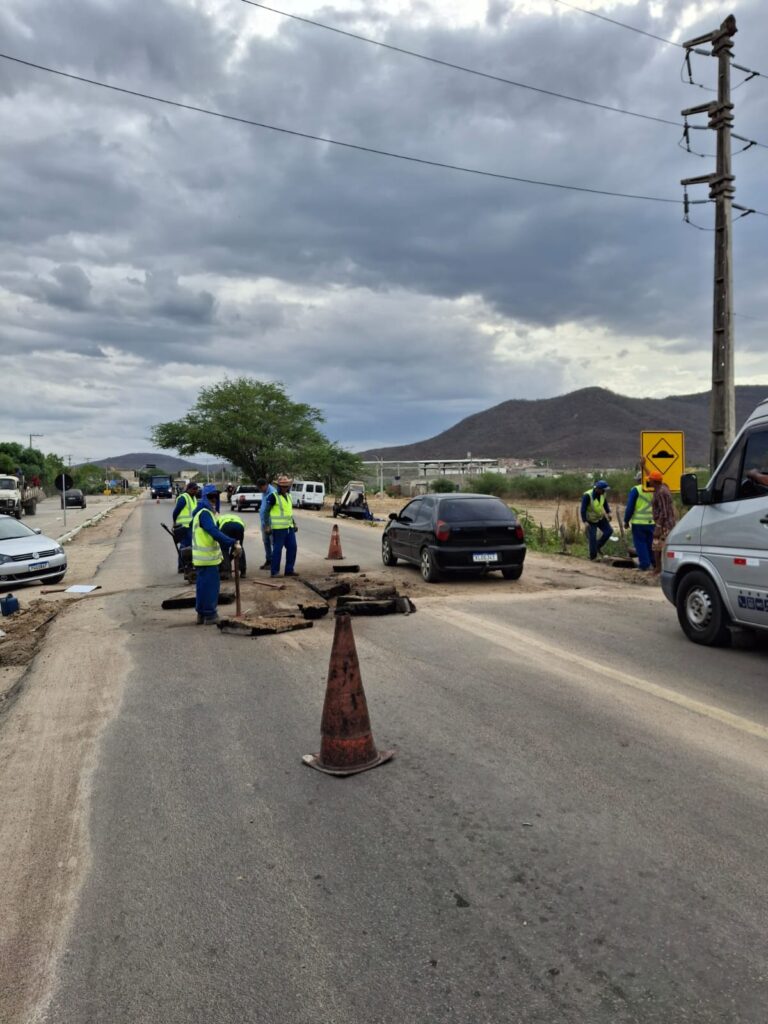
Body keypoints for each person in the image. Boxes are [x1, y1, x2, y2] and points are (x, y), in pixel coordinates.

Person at [191, 484, 237, 624]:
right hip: (207, 559)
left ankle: (201, 614)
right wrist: (232, 542)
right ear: (205, 497)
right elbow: (214, 532)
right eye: (211, 496)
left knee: (202, 587)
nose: (214, 499)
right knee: (210, 587)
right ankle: (210, 615)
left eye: (215, 496)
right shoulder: (204, 513)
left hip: (203, 559)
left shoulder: (203, 512)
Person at [264, 474, 298, 577]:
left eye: (286, 486)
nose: (285, 488)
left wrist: (294, 523)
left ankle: (289, 570)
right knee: (277, 550)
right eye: (283, 486)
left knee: (293, 547)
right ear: (279, 486)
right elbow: (266, 511)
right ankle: (275, 572)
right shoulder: (273, 496)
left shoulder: (289, 496)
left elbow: (288, 512)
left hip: (289, 527)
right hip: (278, 529)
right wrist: (267, 525)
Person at [645, 468, 677, 577]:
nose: (648, 481)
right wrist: (644, 466)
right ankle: (660, 568)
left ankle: (658, 569)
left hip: (664, 525)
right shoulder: (662, 487)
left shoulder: (661, 493)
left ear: (654, 481)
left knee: (657, 547)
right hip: (665, 523)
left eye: (650, 480)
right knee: (660, 547)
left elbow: (664, 512)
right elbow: (653, 476)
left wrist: (658, 527)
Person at [623, 471, 655, 571]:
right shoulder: (654, 489)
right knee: (651, 544)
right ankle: (654, 563)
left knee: (640, 543)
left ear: (638, 480)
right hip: (652, 523)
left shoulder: (636, 490)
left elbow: (630, 507)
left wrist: (626, 520)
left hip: (638, 523)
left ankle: (645, 565)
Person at [580, 479, 613, 561]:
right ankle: (593, 557)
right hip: (591, 520)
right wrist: (585, 521)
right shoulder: (587, 495)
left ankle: (597, 546)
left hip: (600, 517)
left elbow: (605, 503)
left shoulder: (602, 494)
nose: (605, 492)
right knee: (593, 537)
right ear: (598, 489)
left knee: (609, 531)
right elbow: (583, 509)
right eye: (603, 490)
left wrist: (608, 512)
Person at [171, 480, 199, 573]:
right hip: (184, 526)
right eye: (194, 489)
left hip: (191, 526)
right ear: (189, 489)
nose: (196, 491)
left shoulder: (194, 498)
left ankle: (185, 565)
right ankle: (182, 566)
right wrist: (174, 522)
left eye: (197, 489)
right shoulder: (183, 498)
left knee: (187, 546)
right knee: (185, 546)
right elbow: (176, 511)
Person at [217, 510, 246, 579]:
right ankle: (243, 571)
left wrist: (228, 558)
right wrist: (232, 555)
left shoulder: (219, 519)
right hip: (239, 527)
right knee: (239, 547)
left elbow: (217, 533)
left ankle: (227, 571)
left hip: (226, 527)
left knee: (224, 549)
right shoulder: (237, 517)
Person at [257, 477, 277, 570]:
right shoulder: (264, 493)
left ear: (265, 485)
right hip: (264, 522)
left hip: (271, 522)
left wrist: (268, 524)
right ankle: (268, 560)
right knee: (266, 542)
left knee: (273, 542)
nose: (260, 491)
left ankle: (274, 562)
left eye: (261, 488)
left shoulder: (273, 493)